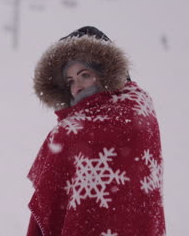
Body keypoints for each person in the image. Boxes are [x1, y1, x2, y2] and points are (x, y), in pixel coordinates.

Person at [27, 26, 166, 236]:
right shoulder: (76, 124)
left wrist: (67, 135)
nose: (77, 87)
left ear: (106, 74)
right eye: (70, 81)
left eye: (85, 75)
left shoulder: (134, 110)